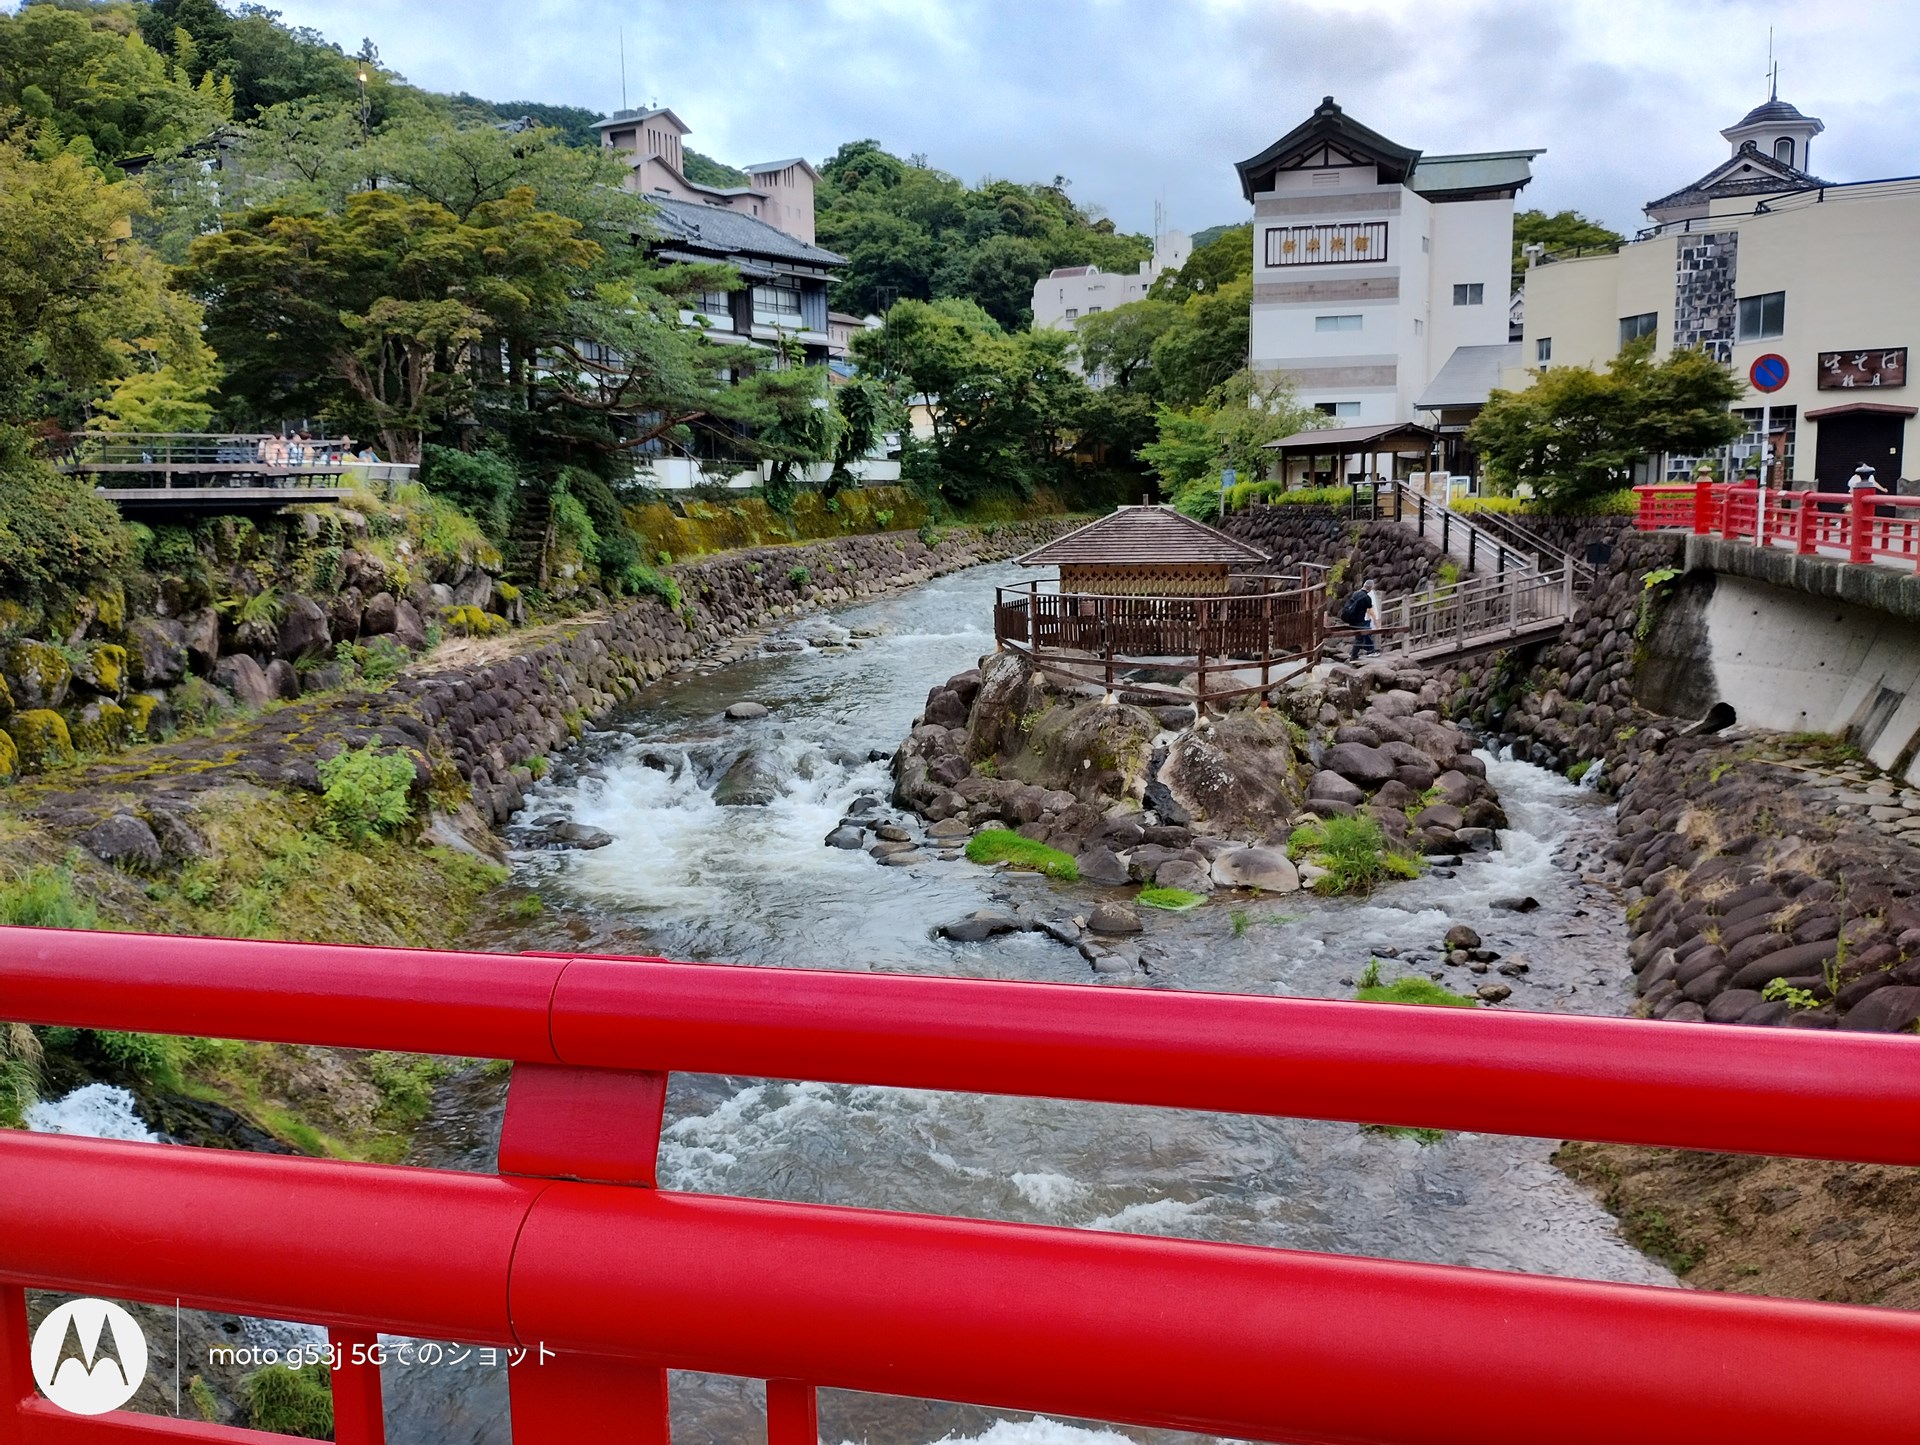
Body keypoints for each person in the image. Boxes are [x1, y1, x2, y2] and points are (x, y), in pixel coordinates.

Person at [1347, 578, 1377, 660]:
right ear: (1370, 588)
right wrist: (1376, 620)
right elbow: (1370, 611)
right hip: (1359, 621)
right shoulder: (1367, 598)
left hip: (1351, 619)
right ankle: (1354, 655)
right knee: (1362, 636)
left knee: (1361, 636)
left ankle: (1355, 654)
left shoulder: (1355, 594)